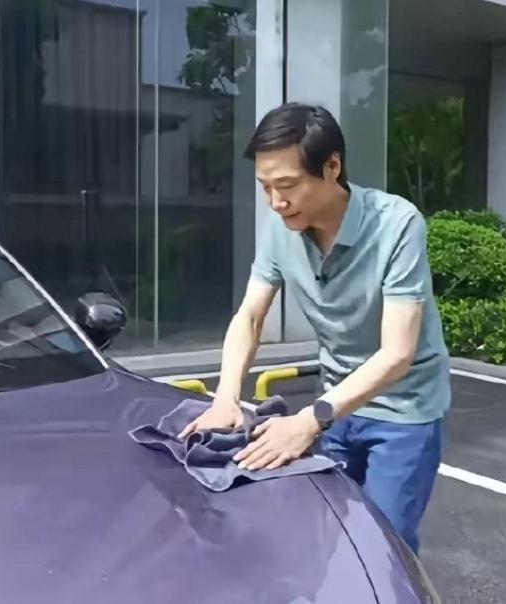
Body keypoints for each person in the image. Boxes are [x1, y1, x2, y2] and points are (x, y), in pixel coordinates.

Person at [177, 102, 450, 554]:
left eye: (287, 186)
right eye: (265, 187)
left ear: (332, 167)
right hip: (334, 402)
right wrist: (226, 398)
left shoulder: (397, 225)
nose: (276, 202)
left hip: (404, 411)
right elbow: (250, 316)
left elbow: (397, 353)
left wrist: (309, 421)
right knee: (323, 535)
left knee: (385, 548)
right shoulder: (280, 229)